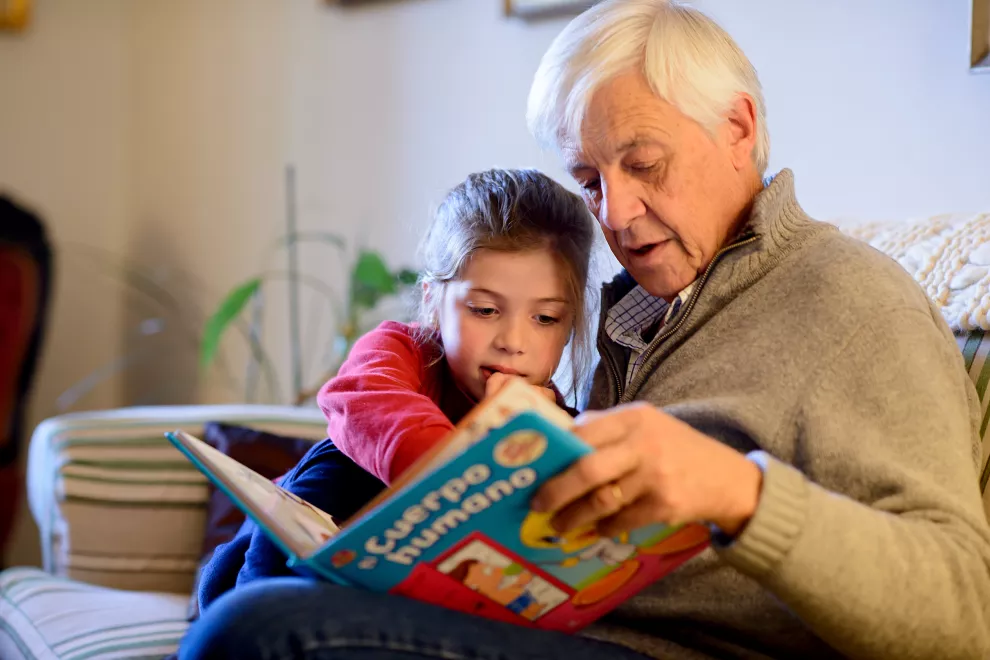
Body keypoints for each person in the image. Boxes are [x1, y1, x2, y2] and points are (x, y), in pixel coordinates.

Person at [180, 1, 990, 658]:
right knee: (266, 581)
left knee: (263, 633)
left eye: (643, 163)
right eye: (589, 179)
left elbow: (964, 610)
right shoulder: (634, 307)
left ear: (739, 129)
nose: (617, 214)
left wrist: (739, 495)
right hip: (541, 627)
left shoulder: (854, 300)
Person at [195, 167, 596, 609]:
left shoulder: (558, 421)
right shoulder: (402, 351)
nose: (513, 342)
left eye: (546, 318)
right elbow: (362, 400)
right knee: (341, 459)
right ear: (431, 301)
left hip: (407, 606)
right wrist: (480, 454)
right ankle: (251, 617)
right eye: (484, 310)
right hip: (268, 567)